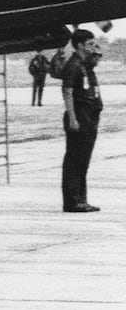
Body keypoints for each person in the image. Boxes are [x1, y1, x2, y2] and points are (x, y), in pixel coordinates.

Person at [61, 28, 104, 213]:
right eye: (89, 43)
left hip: (89, 116)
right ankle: (72, 201)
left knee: (83, 160)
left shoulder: (84, 64)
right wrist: (73, 118)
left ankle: (81, 199)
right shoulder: (73, 65)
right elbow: (67, 92)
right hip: (79, 115)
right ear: (80, 45)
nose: (93, 46)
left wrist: (96, 50)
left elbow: (96, 60)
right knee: (75, 159)